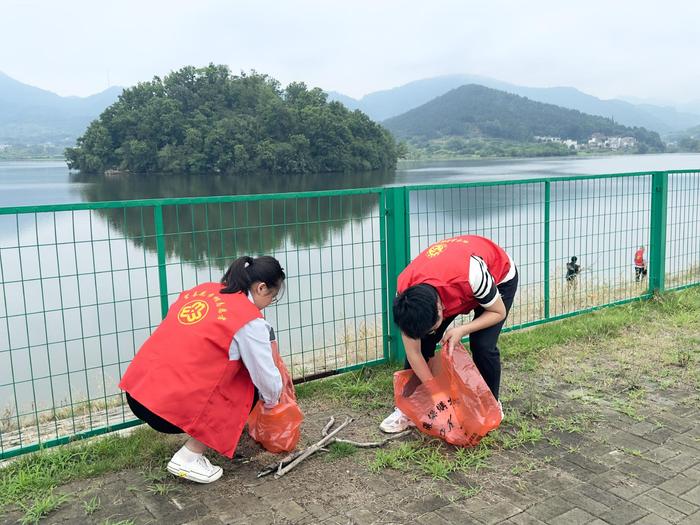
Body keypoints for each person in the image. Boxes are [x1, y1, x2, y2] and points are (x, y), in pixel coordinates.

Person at [119, 255, 285, 483]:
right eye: (272, 297)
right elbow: (266, 377)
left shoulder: (203, 291)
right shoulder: (249, 321)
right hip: (165, 410)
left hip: (138, 392)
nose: (269, 302)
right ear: (261, 287)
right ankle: (189, 456)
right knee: (247, 386)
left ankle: (203, 435)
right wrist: (273, 405)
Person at [380, 234, 518, 433]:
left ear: (440, 308)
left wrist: (462, 329)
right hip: (446, 287)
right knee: (425, 342)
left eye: (434, 325)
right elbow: (414, 352)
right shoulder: (406, 296)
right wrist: (436, 394)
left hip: (498, 277)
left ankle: (491, 406)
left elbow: (498, 312)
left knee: (482, 344)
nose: (435, 330)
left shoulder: (472, 274)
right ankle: (407, 410)